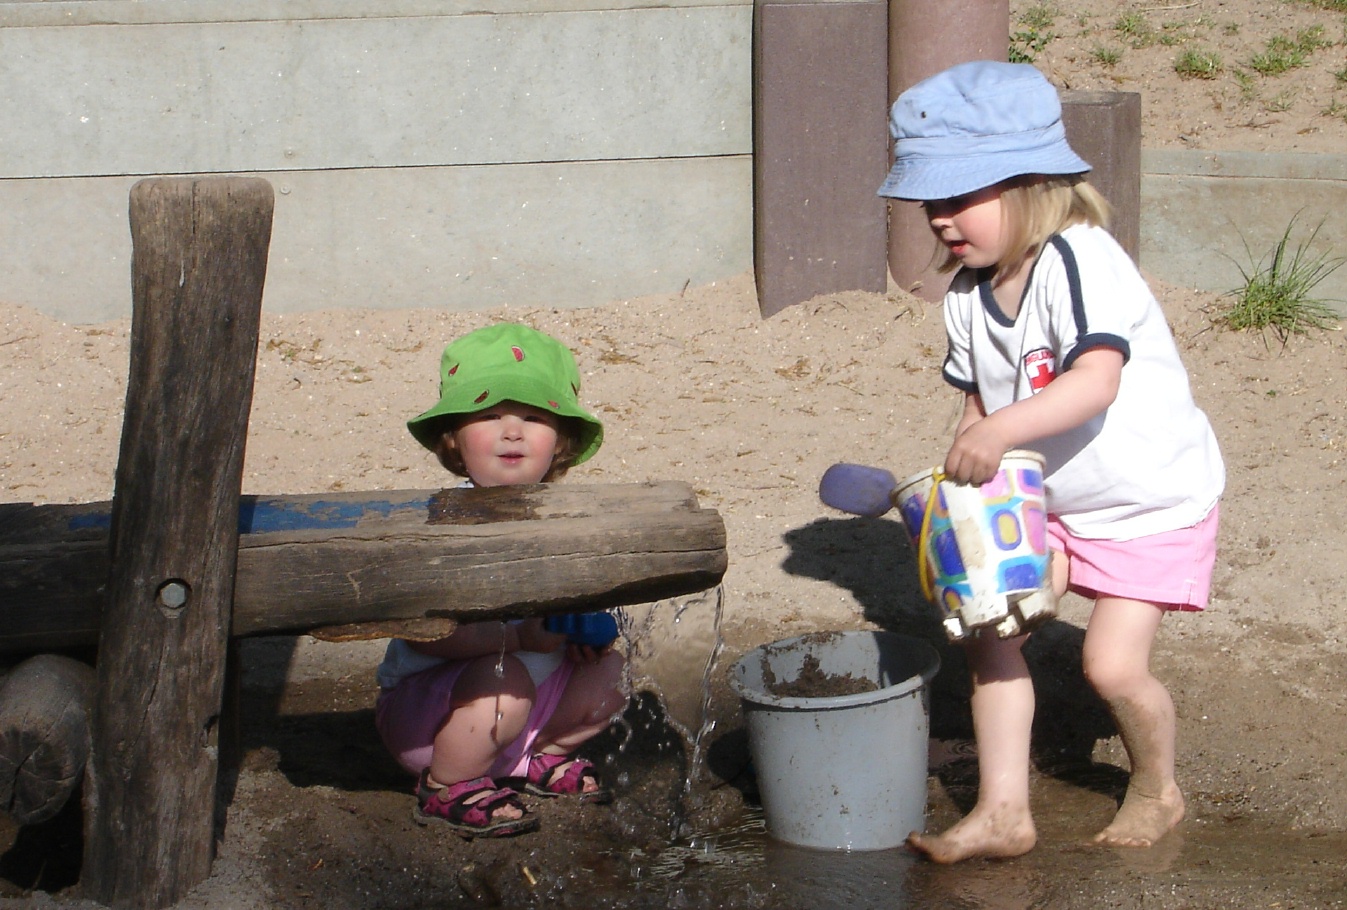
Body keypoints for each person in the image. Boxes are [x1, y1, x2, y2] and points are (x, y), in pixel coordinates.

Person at [877, 61, 1224, 862]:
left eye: (958, 196)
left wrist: (998, 433)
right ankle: (1003, 810)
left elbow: (1094, 381)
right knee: (991, 630)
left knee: (1109, 666)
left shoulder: (1079, 257)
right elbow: (978, 404)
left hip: (1145, 502)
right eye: (929, 201)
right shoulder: (966, 295)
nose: (939, 218)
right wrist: (960, 493)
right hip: (1052, 500)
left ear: (1030, 185)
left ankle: (1157, 788)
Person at [375, 322, 627, 838]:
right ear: (453, 439)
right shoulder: (443, 526)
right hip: (436, 721)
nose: (513, 431)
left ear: (560, 441)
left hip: (526, 712)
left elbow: (580, 603)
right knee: (503, 681)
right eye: (489, 416)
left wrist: (585, 631)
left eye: (534, 418)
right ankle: (447, 783)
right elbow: (430, 635)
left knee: (616, 672)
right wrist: (523, 637)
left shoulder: (565, 523)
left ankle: (539, 756)